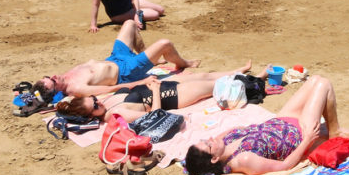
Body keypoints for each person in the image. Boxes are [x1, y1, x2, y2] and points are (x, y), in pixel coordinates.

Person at [184, 75, 349, 175]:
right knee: (323, 84)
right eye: (208, 144)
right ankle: (334, 132)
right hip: (299, 134)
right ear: (214, 159)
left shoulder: (224, 143)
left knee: (314, 80)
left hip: (281, 120)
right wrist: (308, 140)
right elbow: (284, 166)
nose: (211, 138)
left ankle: (332, 129)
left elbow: (225, 133)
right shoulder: (242, 160)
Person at [34, 19, 200, 99]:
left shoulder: (63, 78)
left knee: (130, 23)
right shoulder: (76, 89)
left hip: (116, 57)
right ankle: (184, 63)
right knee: (165, 44)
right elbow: (109, 90)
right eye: (53, 81)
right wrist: (140, 83)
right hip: (127, 71)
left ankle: (149, 57)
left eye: (49, 76)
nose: (55, 76)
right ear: (57, 90)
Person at [56, 61, 255, 123]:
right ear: (92, 116)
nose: (98, 102)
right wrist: (157, 91)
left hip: (154, 86)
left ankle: (237, 71)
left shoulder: (102, 103)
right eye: (95, 106)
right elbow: (154, 116)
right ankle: (255, 81)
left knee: (203, 75)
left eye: (94, 100)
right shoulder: (117, 115)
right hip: (170, 97)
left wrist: (145, 82)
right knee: (215, 86)